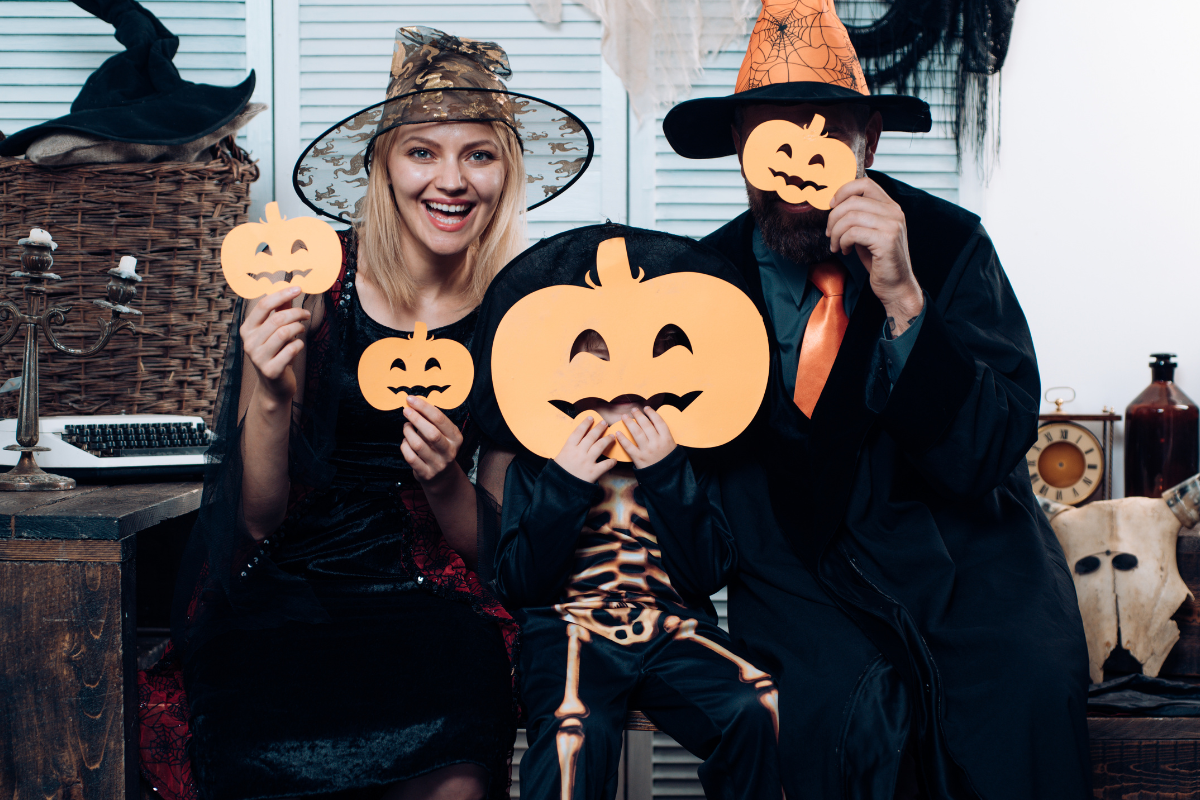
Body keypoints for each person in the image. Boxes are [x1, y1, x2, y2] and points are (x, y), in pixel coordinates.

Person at [140, 27, 594, 800]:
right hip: (292, 583)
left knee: (454, 770)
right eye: (423, 151)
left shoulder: (522, 312)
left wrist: (446, 478)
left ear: (506, 173)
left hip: (432, 595)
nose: (450, 180)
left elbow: (498, 553)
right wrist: (275, 392)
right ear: (382, 165)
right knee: (256, 749)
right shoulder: (316, 278)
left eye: (478, 154)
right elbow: (254, 519)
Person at [661, 1, 1092, 799]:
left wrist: (904, 301)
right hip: (797, 572)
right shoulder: (699, 281)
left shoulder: (947, 244)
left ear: (869, 142)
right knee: (834, 724)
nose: (799, 162)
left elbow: (991, 450)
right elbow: (692, 491)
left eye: (827, 134)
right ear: (739, 145)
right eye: (773, 134)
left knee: (1019, 696)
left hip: (965, 560)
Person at [474, 229, 782, 800]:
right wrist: (564, 482)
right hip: (566, 629)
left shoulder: (691, 457)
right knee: (573, 732)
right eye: (599, 364)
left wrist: (668, 473)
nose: (624, 387)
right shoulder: (536, 465)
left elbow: (704, 574)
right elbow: (519, 582)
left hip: (670, 625)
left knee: (758, 698)